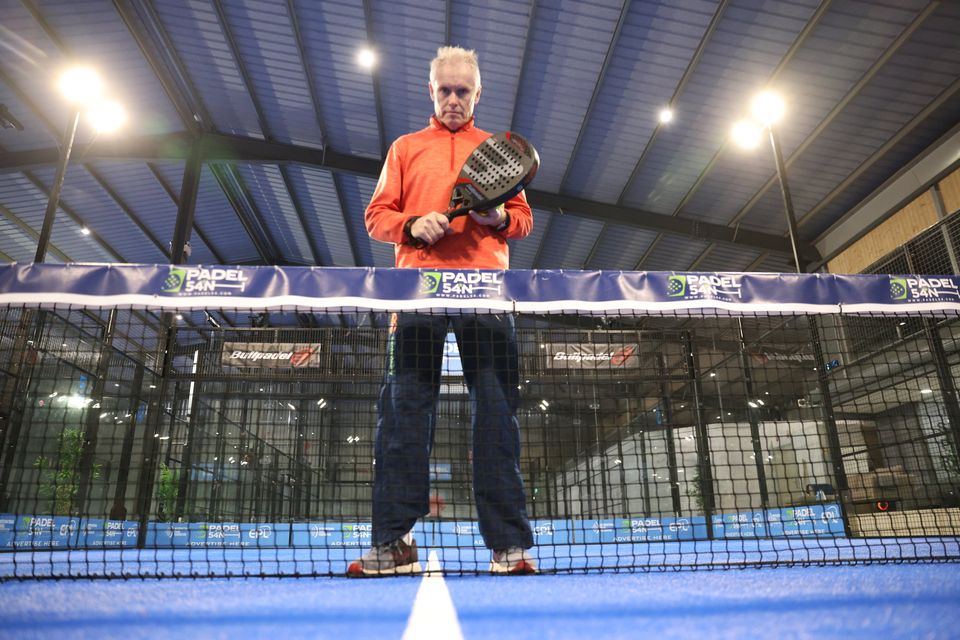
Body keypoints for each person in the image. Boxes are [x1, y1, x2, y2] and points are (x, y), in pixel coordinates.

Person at [347, 46, 536, 576]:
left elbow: (522, 221)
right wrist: (411, 224)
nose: (454, 99)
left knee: (497, 416)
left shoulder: (496, 150)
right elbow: (376, 216)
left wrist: (497, 215)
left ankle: (509, 545)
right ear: (431, 92)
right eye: (445, 90)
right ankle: (393, 543)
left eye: (464, 91)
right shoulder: (405, 148)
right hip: (417, 294)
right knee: (403, 416)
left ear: (478, 94)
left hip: (485, 294)